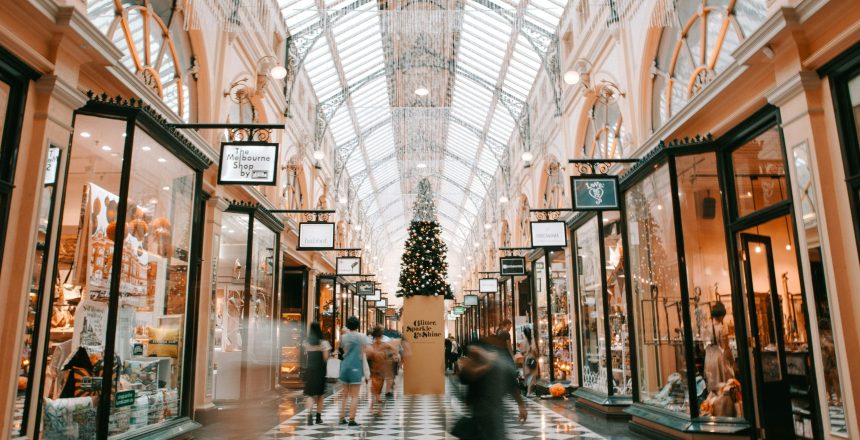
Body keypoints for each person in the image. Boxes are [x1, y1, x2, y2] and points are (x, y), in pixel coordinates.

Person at [454, 338, 527, 439]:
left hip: (493, 413)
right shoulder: (476, 365)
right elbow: (468, 375)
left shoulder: (497, 365)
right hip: (480, 413)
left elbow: (511, 384)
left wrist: (521, 405)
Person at [338, 316, 368, 426]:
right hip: (356, 366)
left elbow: (340, 349)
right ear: (358, 325)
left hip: (344, 366)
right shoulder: (362, 337)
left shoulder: (343, 337)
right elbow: (365, 349)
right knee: (354, 396)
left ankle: (341, 418)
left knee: (344, 395)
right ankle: (351, 419)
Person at [302, 322, 330, 425]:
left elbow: (305, 355)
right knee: (320, 395)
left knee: (310, 394)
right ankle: (318, 417)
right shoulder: (324, 343)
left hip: (310, 370)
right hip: (320, 371)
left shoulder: (306, 342)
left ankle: (309, 414)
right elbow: (325, 358)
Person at [367, 326, 395, 416]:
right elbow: (367, 356)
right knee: (376, 390)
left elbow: (393, 350)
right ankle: (376, 409)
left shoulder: (383, 345)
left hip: (381, 371)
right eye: (378, 337)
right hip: (374, 371)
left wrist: (389, 356)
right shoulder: (372, 345)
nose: (379, 339)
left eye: (380, 337)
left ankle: (375, 408)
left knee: (377, 390)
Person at [520, 326, 539, 397]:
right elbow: (534, 349)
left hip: (526, 359)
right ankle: (529, 392)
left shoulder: (523, 341)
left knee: (528, 375)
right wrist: (537, 355)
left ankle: (528, 391)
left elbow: (522, 352)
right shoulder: (532, 340)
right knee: (532, 375)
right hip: (532, 359)